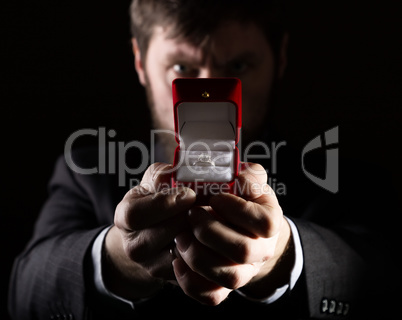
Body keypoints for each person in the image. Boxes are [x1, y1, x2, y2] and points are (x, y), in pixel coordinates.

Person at [8, 1, 399, 319]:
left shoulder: (341, 177)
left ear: (279, 58)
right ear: (140, 61)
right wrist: (119, 256)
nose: (205, 89)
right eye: (182, 68)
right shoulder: (86, 169)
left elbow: (386, 280)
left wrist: (281, 254)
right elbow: (26, 291)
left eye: (237, 66)